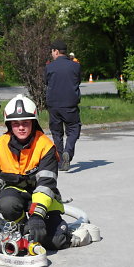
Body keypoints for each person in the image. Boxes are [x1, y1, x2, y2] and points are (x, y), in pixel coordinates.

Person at [0, 94, 72, 250]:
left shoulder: (45, 146)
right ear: (9, 125)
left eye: (25, 123)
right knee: (8, 204)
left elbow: (46, 185)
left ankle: (68, 234)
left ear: (33, 123)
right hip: (14, 197)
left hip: (43, 199)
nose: (21, 127)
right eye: (16, 123)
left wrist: (37, 216)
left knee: (56, 241)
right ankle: (20, 228)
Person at [45, 40, 82, 171]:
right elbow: (78, 81)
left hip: (53, 105)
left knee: (57, 133)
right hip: (70, 104)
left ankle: (60, 161)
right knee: (73, 129)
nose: (52, 54)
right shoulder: (76, 66)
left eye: (52, 52)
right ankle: (68, 151)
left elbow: (46, 82)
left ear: (56, 51)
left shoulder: (49, 67)